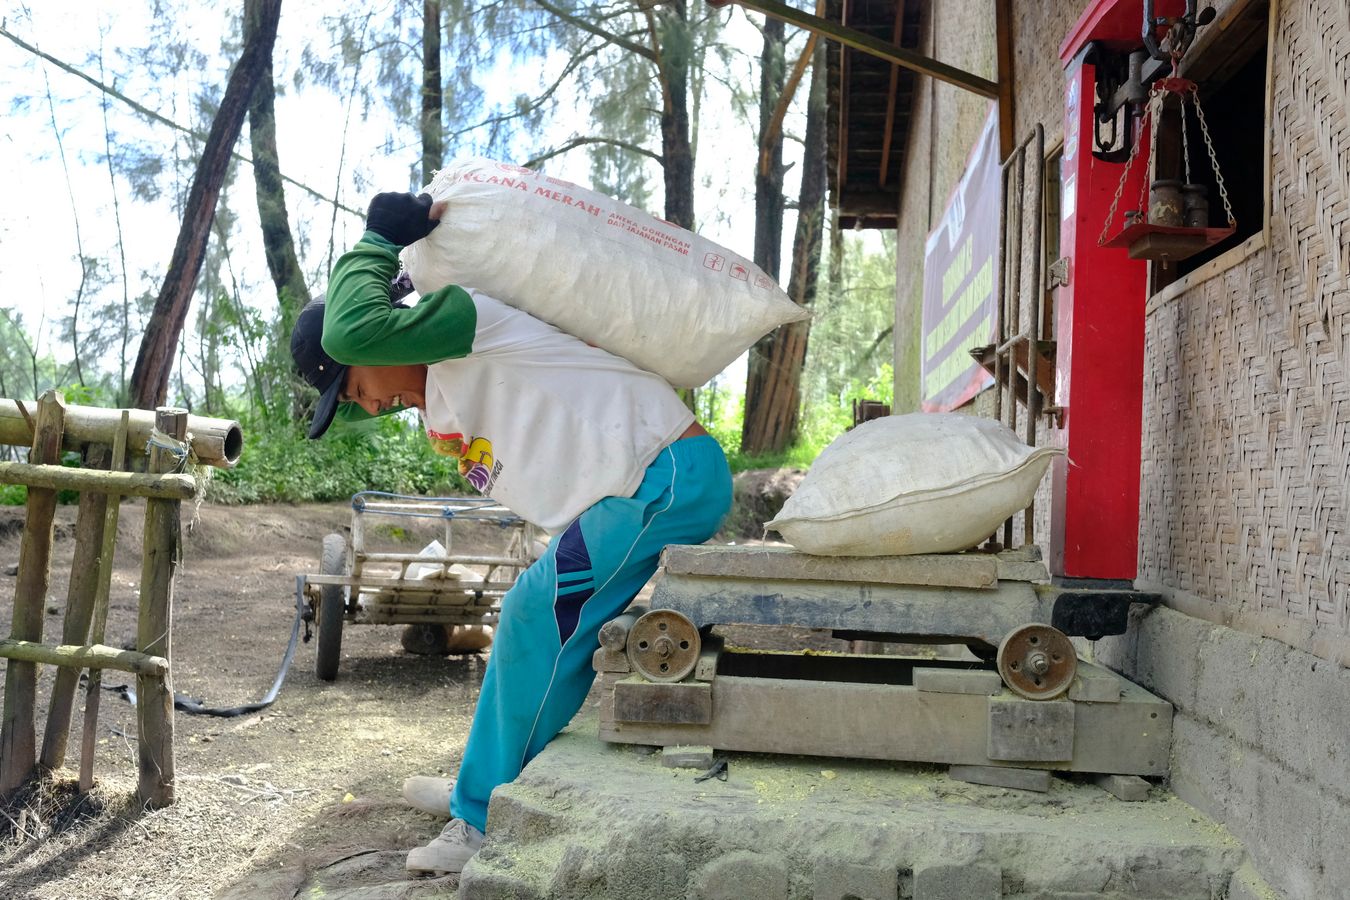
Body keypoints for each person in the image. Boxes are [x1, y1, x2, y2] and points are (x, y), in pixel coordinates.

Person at [290, 191, 732, 875]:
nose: (367, 407)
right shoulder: (441, 389)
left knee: (535, 608)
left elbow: (351, 333)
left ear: (387, 330)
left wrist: (379, 243)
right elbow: (369, 358)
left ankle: (481, 816)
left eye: (353, 390)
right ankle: (484, 777)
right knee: (528, 616)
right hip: (630, 489)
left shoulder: (470, 322)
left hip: (666, 474)